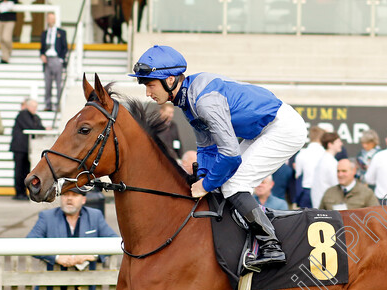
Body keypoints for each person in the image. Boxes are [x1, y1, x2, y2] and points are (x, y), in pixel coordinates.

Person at [130, 45, 307, 269]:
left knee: (234, 182)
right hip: (260, 130)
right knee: (219, 183)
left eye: (150, 84)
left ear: (171, 80)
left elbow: (230, 155)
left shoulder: (203, 101)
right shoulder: (187, 100)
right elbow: (207, 147)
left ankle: (272, 246)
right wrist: (203, 178)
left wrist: (207, 183)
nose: (147, 92)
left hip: (283, 128)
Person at [10, 98, 45, 200]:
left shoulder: (35, 117)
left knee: (26, 171)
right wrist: (38, 127)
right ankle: (19, 193)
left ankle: (23, 192)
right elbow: (32, 127)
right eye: (33, 107)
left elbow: (39, 127)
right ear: (28, 106)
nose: (35, 109)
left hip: (28, 148)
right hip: (20, 148)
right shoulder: (23, 114)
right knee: (19, 171)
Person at [40, 12, 68, 112]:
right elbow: (42, 47)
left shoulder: (61, 32)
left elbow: (65, 47)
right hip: (47, 59)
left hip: (57, 59)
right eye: (49, 18)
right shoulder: (45, 33)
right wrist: (42, 55)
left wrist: (61, 59)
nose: (51, 20)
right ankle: (48, 105)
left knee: (58, 84)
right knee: (48, 84)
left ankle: (58, 105)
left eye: (52, 18)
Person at [293, 126, 326, 209]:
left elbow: (298, 175)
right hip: (322, 191)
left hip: (306, 192)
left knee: (306, 220)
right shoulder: (326, 154)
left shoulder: (301, 154)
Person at [310, 132, 341, 210]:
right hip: (327, 205)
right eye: (338, 142)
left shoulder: (324, 160)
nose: (341, 144)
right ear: (330, 144)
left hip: (321, 204)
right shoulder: (330, 162)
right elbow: (336, 184)